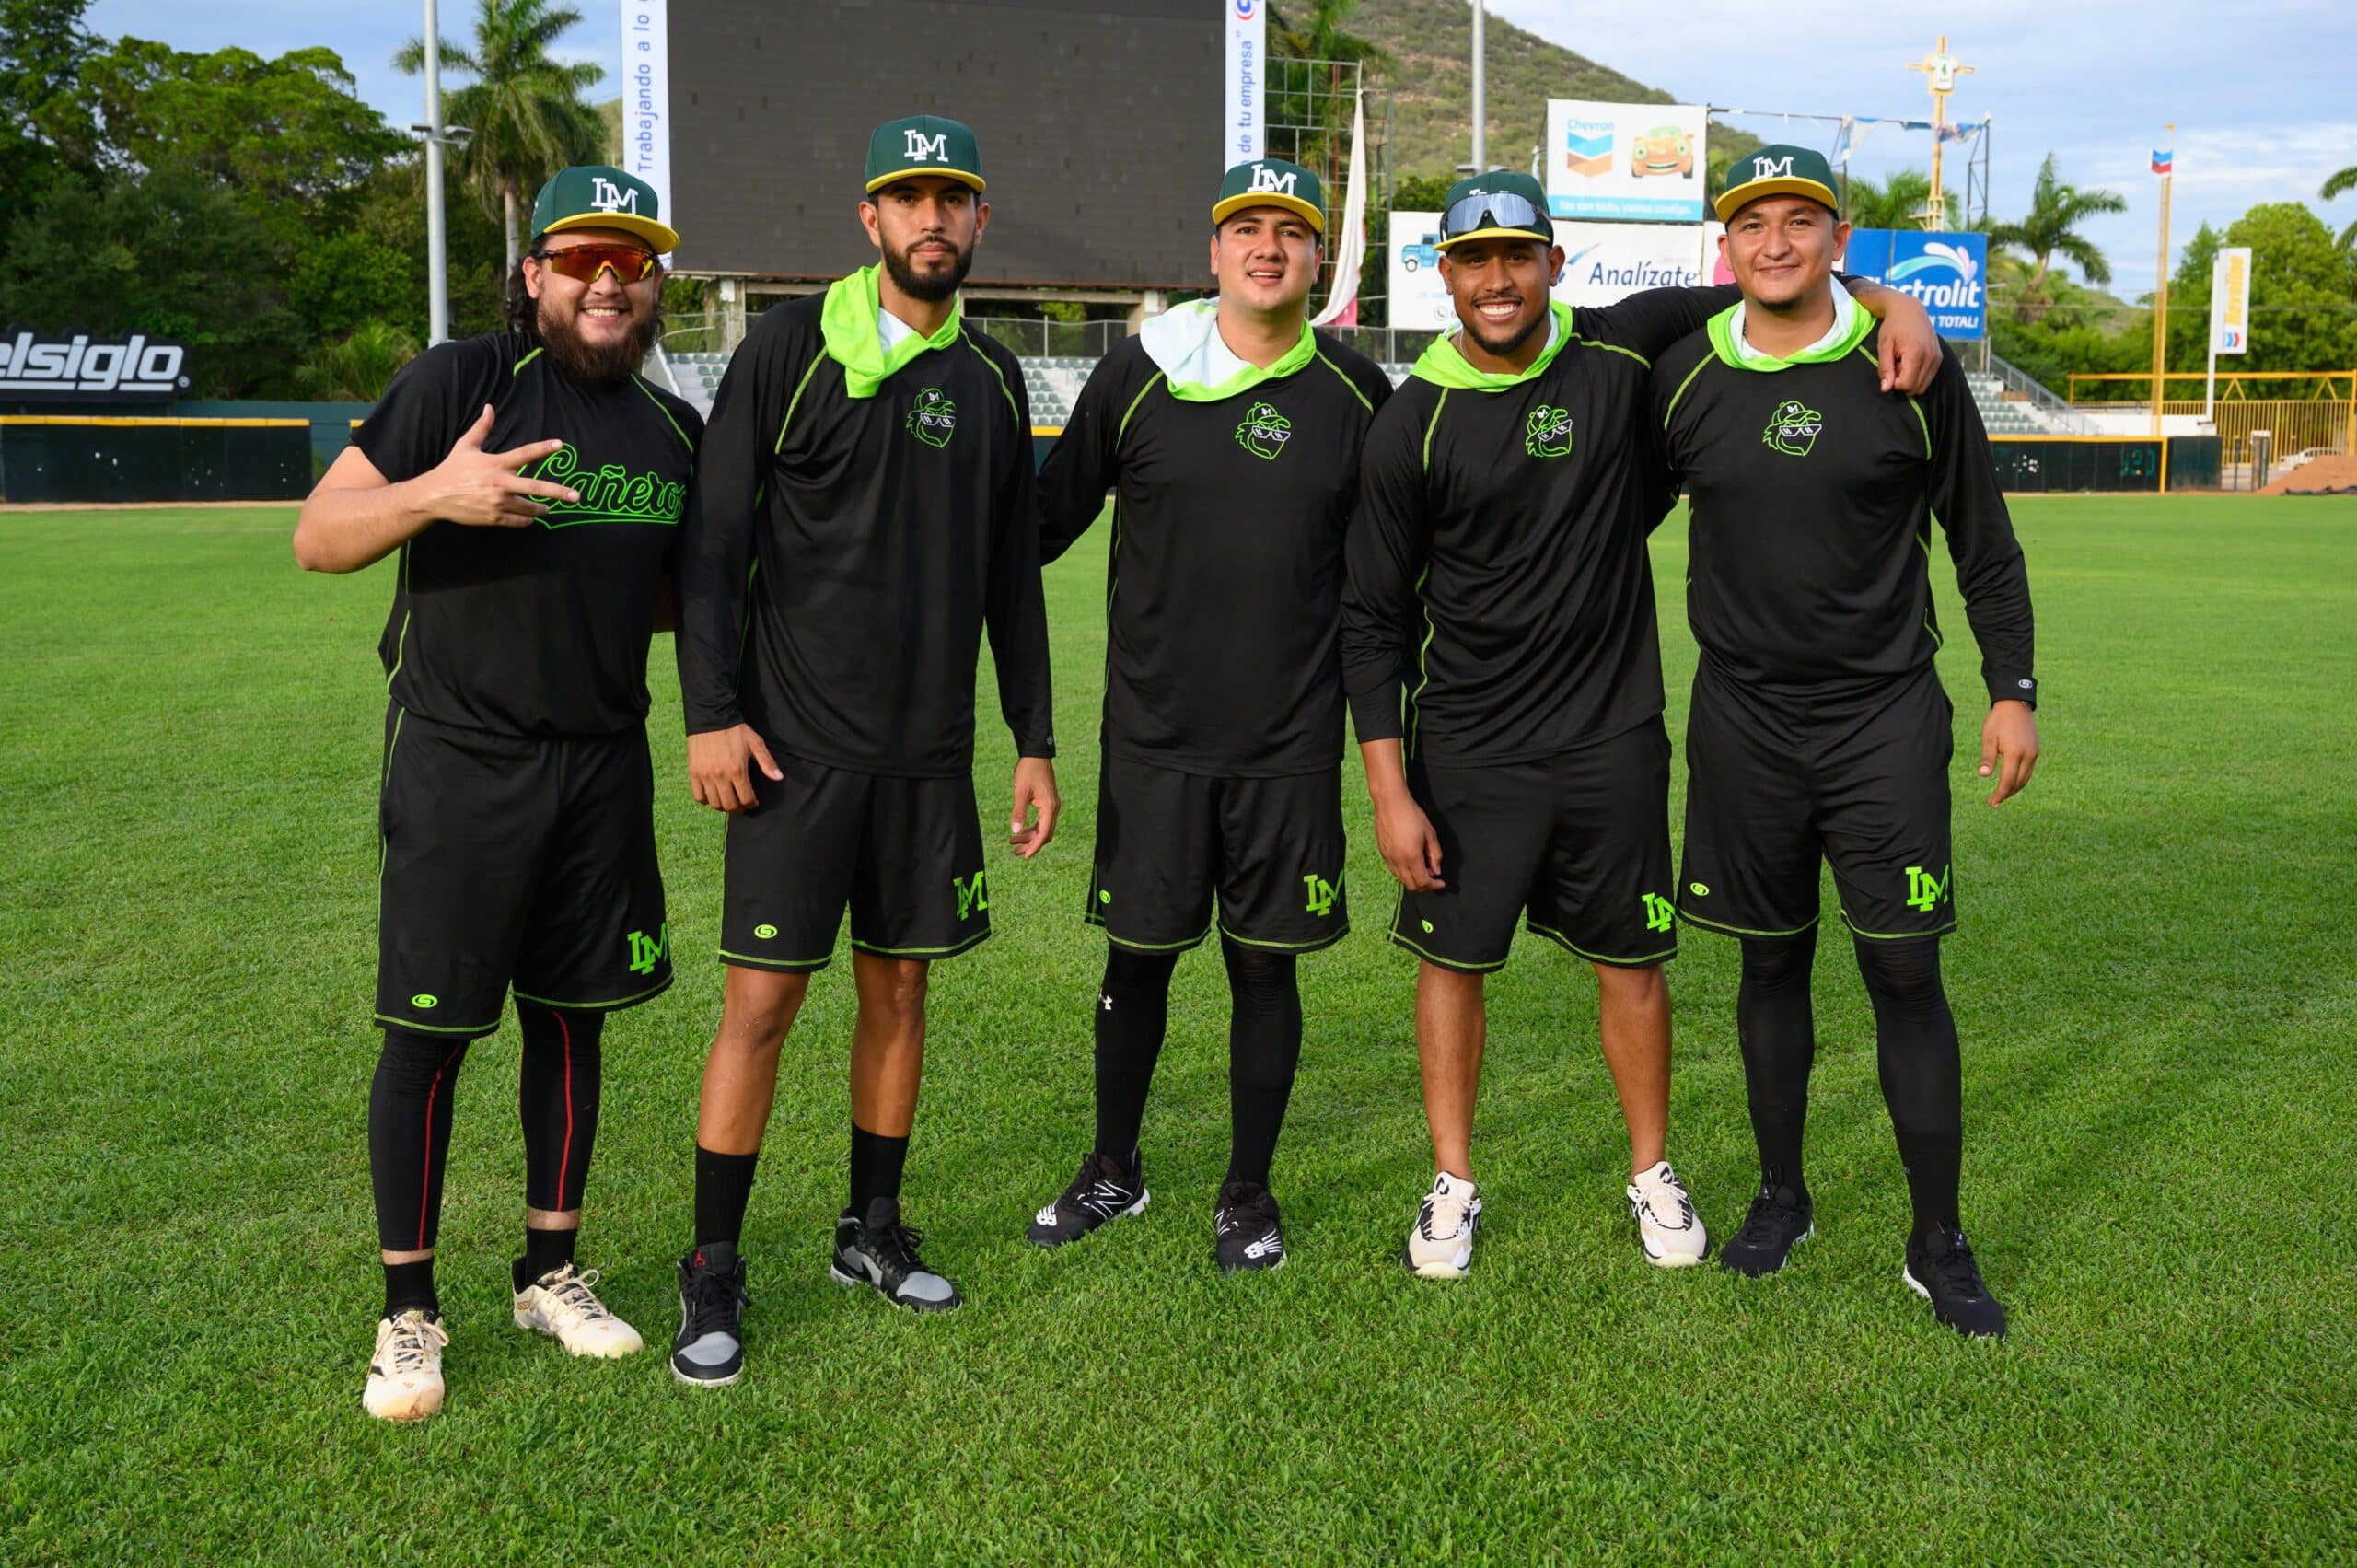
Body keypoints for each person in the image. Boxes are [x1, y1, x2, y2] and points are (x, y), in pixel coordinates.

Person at [1339, 170, 1945, 1280]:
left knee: (1631, 960)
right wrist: (1389, 789)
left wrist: (1897, 302)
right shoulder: (1407, 423)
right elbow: (1372, 621)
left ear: (1554, 264)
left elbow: (1783, 276)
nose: (1497, 279)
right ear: (1444, 278)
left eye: (1517, 255)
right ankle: (1453, 1180)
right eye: (1473, 261)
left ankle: (1652, 1170)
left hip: (1614, 731)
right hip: (1468, 744)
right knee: (1454, 962)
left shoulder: (1623, 348)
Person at [294, 166, 701, 1420]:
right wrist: (438, 494)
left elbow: (686, 605)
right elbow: (322, 533)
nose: (605, 280)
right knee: (429, 1034)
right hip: (463, 759)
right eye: (579, 258)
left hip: (601, 765)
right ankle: (408, 1307)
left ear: (652, 288)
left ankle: (548, 1268)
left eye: (628, 263)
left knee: (572, 1020)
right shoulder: (460, 381)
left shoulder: (670, 429)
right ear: (532, 275)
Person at [668, 115, 1057, 1386]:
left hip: (927, 759)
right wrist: (709, 711)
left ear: (981, 222)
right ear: (870, 219)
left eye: (954, 199)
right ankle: (713, 1268)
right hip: (789, 753)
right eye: (909, 198)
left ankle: (871, 1230)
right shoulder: (786, 346)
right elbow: (712, 546)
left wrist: (1034, 741)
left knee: (900, 991)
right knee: (762, 1006)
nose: (932, 219)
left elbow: (1014, 582)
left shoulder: (996, 379)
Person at [1651, 146, 2038, 1337]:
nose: (1776, 241)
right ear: (1727, 247)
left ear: (1841, 238)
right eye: (1752, 223)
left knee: (1904, 971)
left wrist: (2013, 689)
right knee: (1769, 965)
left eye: (1800, 220)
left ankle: (1939, 1237)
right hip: (1743, 723)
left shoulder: (1909, 371)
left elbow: (1984, 543)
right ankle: (1783, 1193)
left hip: (1881, 720)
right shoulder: (1680, 377)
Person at [1025, 158, 1392, 1272]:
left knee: (1263, 970)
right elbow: (1040, 527)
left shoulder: (1360, 393)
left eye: (1291, 230)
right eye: (1247, 229)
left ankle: (1247, 1190)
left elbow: (1399, 572)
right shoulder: (1138, 375)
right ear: (1214, 250)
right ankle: (1114, 1167)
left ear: (1319, 258)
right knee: (1136, 962)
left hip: (1287, 746)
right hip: (1153, 742)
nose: (1267, 247)